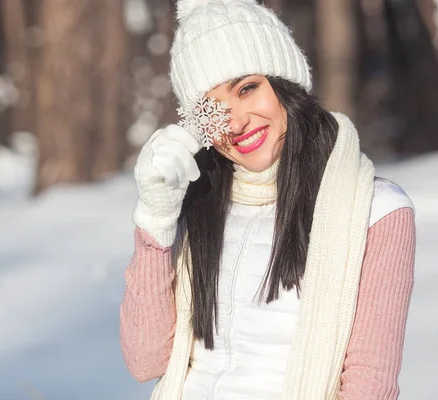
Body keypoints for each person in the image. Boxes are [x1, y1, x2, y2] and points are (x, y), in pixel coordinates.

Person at [120, 0, 416, 399]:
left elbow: (369, 384)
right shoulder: (197, 205)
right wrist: (156, 217)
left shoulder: (375, 210)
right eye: (213, 110)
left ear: (284, 85)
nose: (237, 121)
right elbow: (145, 362)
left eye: (247, 88)